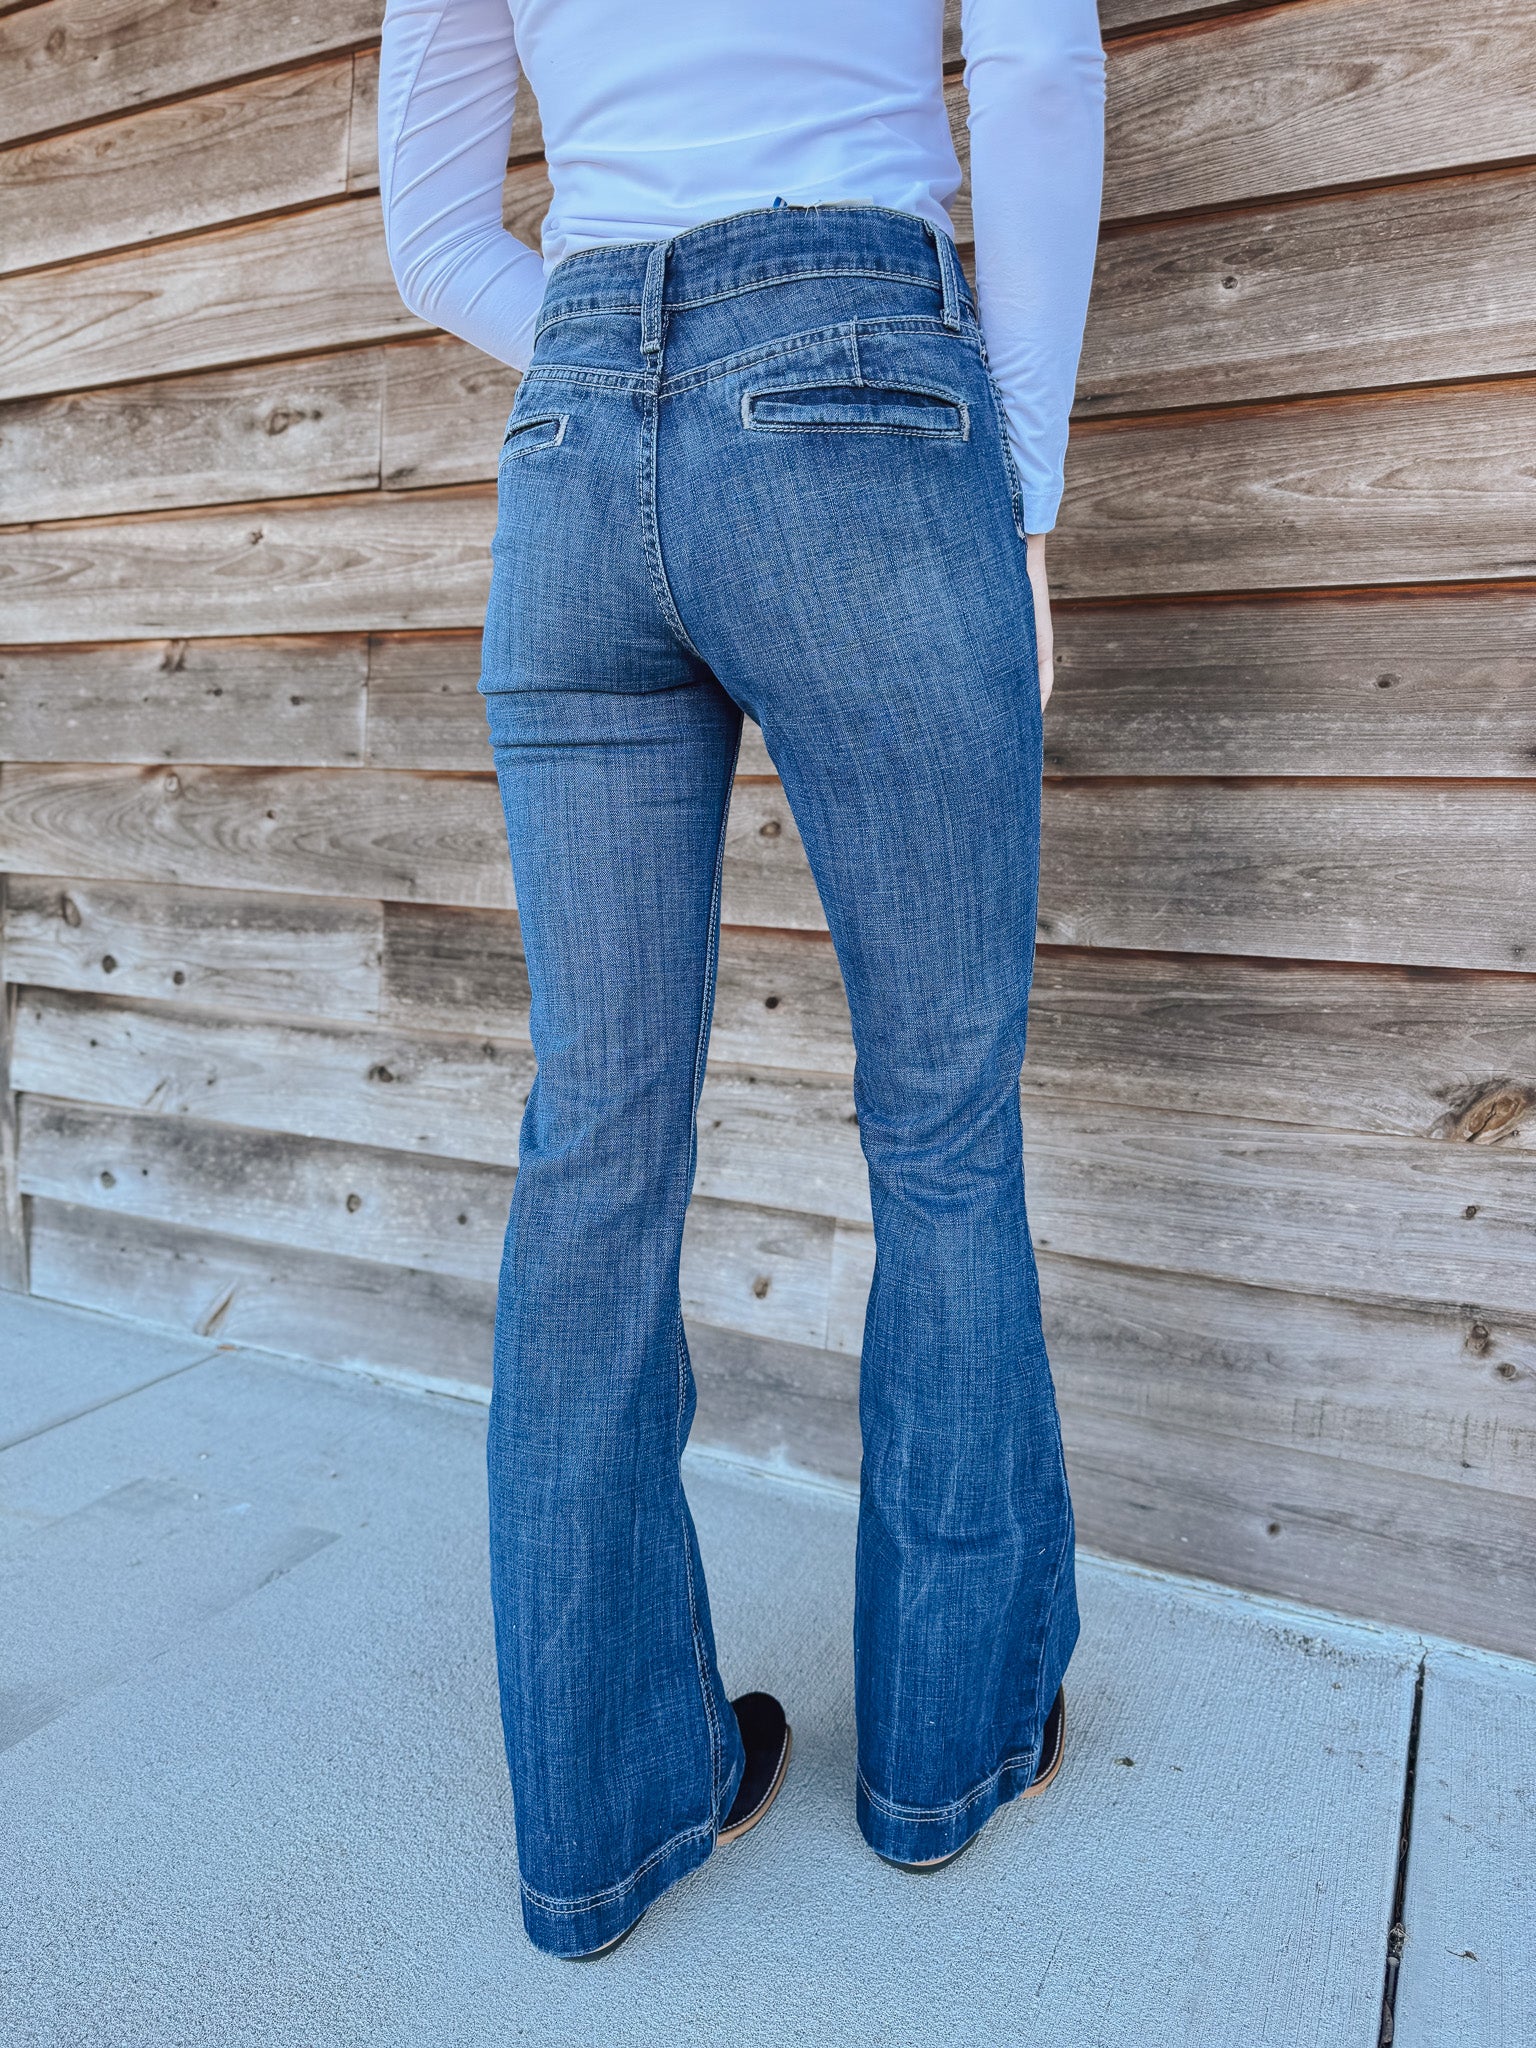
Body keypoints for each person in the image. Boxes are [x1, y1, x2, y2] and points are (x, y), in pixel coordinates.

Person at [379, 0, 1105, 1960]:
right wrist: (1022, 495)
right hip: (859, 387)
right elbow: (1038, 72)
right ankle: (944, 1754)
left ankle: (603, 1825)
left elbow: (432, 237)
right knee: (940, 1123)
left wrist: (630, 352)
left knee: (594, 1148)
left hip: (571, 440)